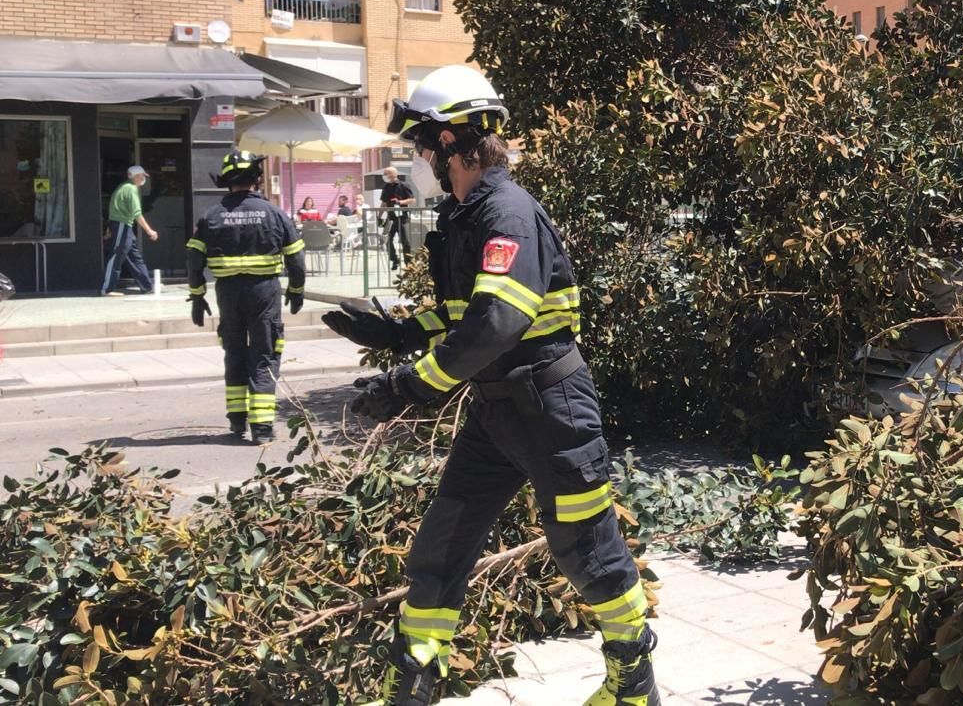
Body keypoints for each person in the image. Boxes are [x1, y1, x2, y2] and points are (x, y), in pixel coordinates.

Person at [323, 66, 658, 706]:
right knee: (442, 542)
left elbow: (501, 321)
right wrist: (395, 333)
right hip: (497, 410)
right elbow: (468, 314)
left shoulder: (507, 212)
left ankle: (632, 680)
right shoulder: (464, 216)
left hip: (551, 407)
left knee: (585, 547)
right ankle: (415, 680)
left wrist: (410, 384)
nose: (417, 158)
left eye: (422, 144)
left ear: (453, 142)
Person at [186, 150, 307, 444]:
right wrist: (296, 289)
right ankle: (263, 427)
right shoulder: (275, 214)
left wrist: (197, 295)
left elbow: (193, 259)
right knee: (264, 356)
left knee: (235, 353)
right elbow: (297, 259)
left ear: (226, 181)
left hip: (227, 294)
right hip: (264, 293)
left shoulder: (210, 216)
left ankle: (237, 419)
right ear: (257, 178)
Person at [100, 166, 158, 296]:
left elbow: (113, 207)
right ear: (135, 176)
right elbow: (137, 213)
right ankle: (107, 289)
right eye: (142, 176)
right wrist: (149, 230)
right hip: (122, 224)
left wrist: (110, 228)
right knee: (117, 255)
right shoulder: (131, 189)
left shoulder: (123, 186)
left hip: (123, 225)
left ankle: (147, 286)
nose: (144, 178)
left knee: (134, 256)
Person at [381, 166, 415, 270]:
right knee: (388, 240)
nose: (385, 175)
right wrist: (379, 216)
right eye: (384, 173)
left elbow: (412, 200)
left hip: (402, 217)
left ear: (393, 174)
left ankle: (408, 263)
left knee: (404, 241)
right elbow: (383, 203)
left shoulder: (404, 185)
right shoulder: (386, 187)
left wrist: (400, 202)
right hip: (391, 218)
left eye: (386, 173)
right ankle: (395, 260)